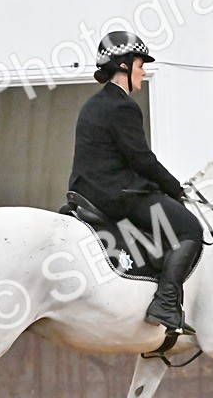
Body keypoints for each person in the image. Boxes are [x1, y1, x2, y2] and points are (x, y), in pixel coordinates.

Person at [68, 31, 203, 335]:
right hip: (113, 194)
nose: (143, 71)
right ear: (125, 65)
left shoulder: (94, 104)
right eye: (140, 64)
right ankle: (166, 303)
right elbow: (142, 159)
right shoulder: (122, 106)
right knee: (189, 228)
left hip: (88, 189)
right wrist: (177, 189)